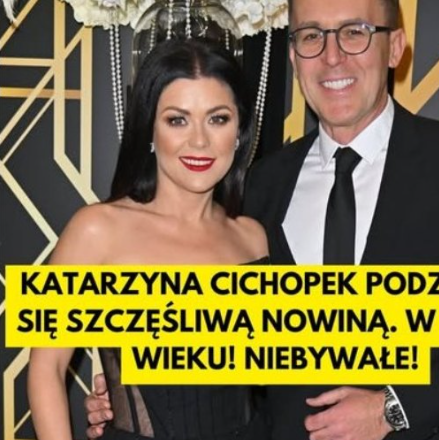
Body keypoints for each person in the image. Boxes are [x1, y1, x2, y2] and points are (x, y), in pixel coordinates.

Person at [86, 0, 439, 439]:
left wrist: (392, 409)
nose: (332, 57)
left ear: (394, 47)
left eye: (355, 32)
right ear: (293, 55)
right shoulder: (262, 183)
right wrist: (136, 385)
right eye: (311, 36)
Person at [28, 39, 268, 440]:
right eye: (177, 120)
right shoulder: (96, 230)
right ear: (150, 130)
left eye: (217, 119)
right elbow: (45, 370)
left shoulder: (253, 239)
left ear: (240, 132)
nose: (199, 141)